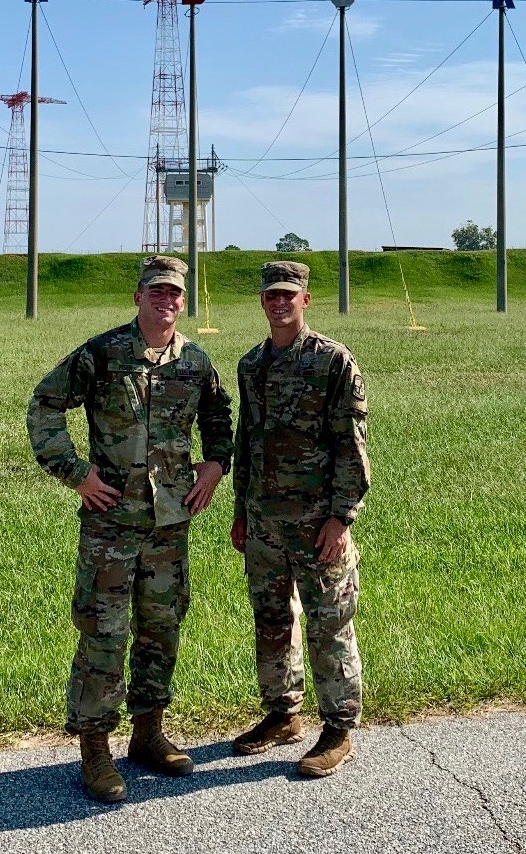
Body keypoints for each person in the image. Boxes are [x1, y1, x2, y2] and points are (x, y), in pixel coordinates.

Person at [27, 255, 233, 803]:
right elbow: (45, 405)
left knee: (161, 628)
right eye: (155, 292)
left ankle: (148, 734)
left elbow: (218, 418)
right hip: (111, 524)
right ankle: (95, 748)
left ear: (184, 301)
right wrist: (75, 473)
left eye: (174, 293)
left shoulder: (195, 361)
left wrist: (215, 466)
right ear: (138, 297)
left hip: (168, 525)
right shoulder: (102, 354)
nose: (166, 301)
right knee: (104, 633)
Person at [231, 260, 370, 777]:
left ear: (305, 300)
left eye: (288, 294)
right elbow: (247, 441)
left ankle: (338, 728)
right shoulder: (252, 365)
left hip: (318, 524)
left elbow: (351, 444)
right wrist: (241, 510)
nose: (280, 302)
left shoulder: (332, 361)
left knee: (329, 623)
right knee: (271, 622)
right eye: (272, 294)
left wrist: (342, 517)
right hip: (264, 522)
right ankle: (283, 714)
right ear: (262, 301)